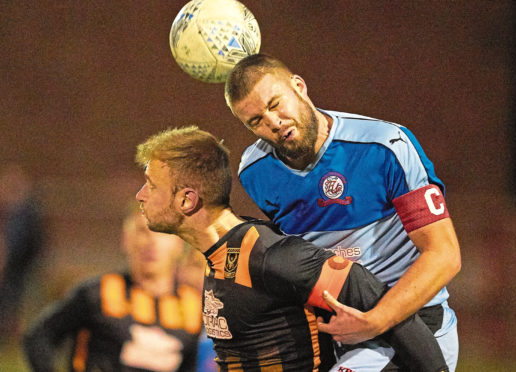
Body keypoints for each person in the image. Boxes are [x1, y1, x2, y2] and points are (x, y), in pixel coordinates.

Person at [134, 126, 449, 372]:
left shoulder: (268, 254)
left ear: (187, 200)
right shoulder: (217, 253)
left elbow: (380, 303)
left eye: (152, 184)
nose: (141, 195)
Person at [225, 53, 461, 371]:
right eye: (255, 121)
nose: (273, 122)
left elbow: (444, 254)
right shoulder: (255, 172)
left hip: (416, 325)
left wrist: (375, 319)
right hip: (337, 335)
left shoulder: (385, 146)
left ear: (298, 86)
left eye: (275, 104)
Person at [22, 203, 205, 372]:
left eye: (163, 233)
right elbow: (40, 336)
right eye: (142, 231)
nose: (152, 242)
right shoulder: (97, 293)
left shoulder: (193, 308)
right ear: (126, 240)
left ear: (179, 244)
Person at [0, 163, 45, 342]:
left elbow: (24, 243)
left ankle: (17, 333)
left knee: (18, 302)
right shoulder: (14, 212)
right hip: (18, 268)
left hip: (22, 268)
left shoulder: (25, 213)